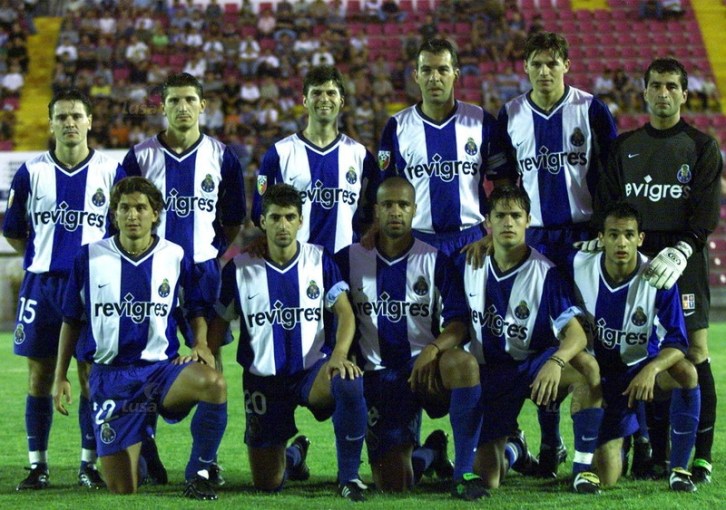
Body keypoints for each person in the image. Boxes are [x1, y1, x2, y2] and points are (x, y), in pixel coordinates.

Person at [52, 176, 227, 500]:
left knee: (213, 383)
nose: (133, 215)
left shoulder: (174, 255)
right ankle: (144, 447)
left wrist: (200, 343)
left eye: (141, 208)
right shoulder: (89, 258)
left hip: (160, 372)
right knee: (124, 487)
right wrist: (60, 376)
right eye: (125, 208)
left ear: (155, 213)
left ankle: (199, 473)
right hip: (112, 378)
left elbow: (194, 308)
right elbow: (71, 320)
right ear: (114, 214)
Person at [594, 57, 722, 484]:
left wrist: (683, 249)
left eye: (671, 86)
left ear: (684, 94)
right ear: (644, 92)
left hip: (683, 262)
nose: (663, 93)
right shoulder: (623, 146)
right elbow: (608, 205)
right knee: (639, 354)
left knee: (694, 353)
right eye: (656, 85)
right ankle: (653, 452)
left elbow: (706, 211)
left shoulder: (702, 146)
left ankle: (701, 456)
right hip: (635, 263)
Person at [495, 31, 617, 476]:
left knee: (599, 337)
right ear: (525, 68)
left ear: (566, 64)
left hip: (585, 240)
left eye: (552, 62)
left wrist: (604, 229)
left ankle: (621, 434)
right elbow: (503, 184)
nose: (544, 71)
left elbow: (613, 174)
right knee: (543, 339)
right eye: (536, 63)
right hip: (536, 242)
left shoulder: (591, 109)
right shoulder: (510, 114)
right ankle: (551, 442)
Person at [208, 184, 369, 501]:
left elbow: (346, 313)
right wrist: (210, 364)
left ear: (300, 221)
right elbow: (218, 326)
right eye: (275, 217)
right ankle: (295, 456)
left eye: (290, 217)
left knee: (348, 381)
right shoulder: (239, 269)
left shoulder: (319, 260)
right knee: (267, 484)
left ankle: (349, 477)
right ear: (262, 222)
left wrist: (339, 354)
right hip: (263, 381)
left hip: (312, 373)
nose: (283, 225)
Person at [122, 72, 246, 485]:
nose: (182, 107)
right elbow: (122, 213)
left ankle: (207, 459)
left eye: (190, 99)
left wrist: (208, 251)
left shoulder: (221, 156)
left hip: (203, 272)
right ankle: (147, 446)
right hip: (149, 273)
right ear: (162, 106)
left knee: (210, 358)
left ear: (203, 105)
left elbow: (232, 218)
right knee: (144, 357)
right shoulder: (140, 157)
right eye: (173, 100)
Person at [3, 89, 125, 491]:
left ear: (90, 121)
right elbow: (14, 232)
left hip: (94, 289)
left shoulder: (111, 171)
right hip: (43, 287)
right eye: (62, 117)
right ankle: (37, 466)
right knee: (39, 376)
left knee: (90, 375)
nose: (70, 122)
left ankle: (88, 465)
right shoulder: (31, 172)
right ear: (51, 123)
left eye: (76, 116)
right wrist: (43, 258)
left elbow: (124, 231)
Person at [336, 176, 487, 500]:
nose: (396, 211)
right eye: (388, 205)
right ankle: (431, 452)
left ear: (414, 210)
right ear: (376, 211)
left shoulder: (434, 260)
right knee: (394, 483)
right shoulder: (348, 259)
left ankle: (464, 473)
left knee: (464, 363)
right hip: (377, 377)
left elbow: (459, 323)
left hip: (425, 371)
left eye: (403, 205)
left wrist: (433, 349)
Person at [464, 185, 604, 494]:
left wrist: (556, 361)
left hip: (533, 366)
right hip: (491, 374)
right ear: (487, 221)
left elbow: (577, 333)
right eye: (501, 215)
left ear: (528, 220)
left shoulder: (546, 273)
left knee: (587, 368)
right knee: (488, 477)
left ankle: (582, 469)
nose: (509, 222)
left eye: (516, 216)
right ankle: (516, 448)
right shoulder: (469, 264)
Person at [569, 202, 699, 492]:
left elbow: (678, 342)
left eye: (629, 234)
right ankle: (578, 457)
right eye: (614, 234)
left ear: (640, 238)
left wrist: (651, 369)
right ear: (601, 238)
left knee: (686, 372)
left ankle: (679, 470)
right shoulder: (579, 265)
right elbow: (533, 254)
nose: (621, 242)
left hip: (640, 369)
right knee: (607, 477)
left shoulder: (659, 275)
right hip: (599, 376)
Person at [377, 38, 511, 272]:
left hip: (472, 241)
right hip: (417, 241)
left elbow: (504, 184)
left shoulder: (481, 121)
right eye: (427, 70)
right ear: (416, 76)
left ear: (456, 74)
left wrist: (495, 234)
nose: (434, 77)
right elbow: (385, 190)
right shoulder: (397, 126)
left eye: (442, 70)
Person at [251, 65, 378, 255]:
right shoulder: (280, 153)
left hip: (346, 265)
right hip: (295, 265)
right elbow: (259, 213)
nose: (324, 99)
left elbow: (374, 213)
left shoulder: (360, 156)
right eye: (316, 93)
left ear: (342, 101)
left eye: (331, 93)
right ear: (305, 100)